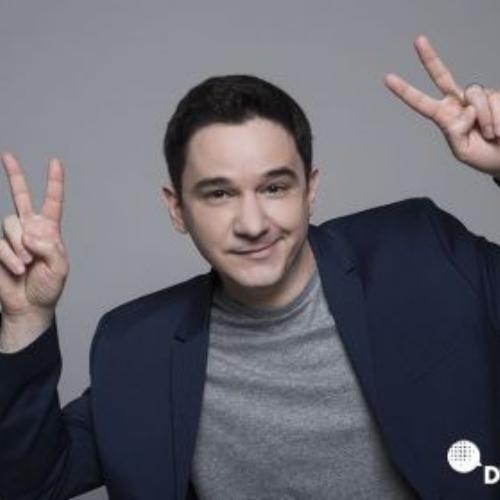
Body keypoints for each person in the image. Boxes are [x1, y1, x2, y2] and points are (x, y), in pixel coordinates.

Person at [0, 35, 499, 500]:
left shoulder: (418, 251)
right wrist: (26, 320)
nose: (253, 224)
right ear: (177, 209)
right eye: (219, 194)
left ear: (310, 189)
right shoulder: (136, 347)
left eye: (274, 187)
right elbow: (31, 483)